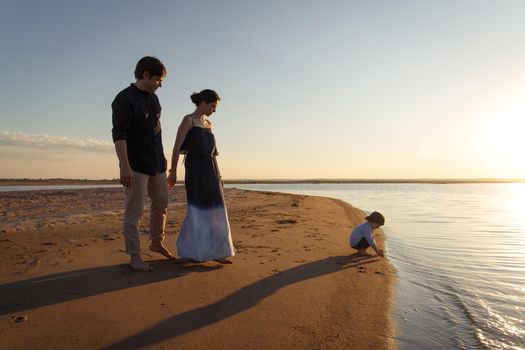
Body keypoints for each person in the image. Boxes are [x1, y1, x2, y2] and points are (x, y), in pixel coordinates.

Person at [111, 56, 174, 272]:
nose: (160, 85)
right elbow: (119, 135)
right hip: (135, 165)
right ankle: (135, 255)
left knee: (162, 202)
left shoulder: (154, 99)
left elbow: (157, 128)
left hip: (157, 164)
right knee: (134, 212)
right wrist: (124, 166)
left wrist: (163, 161)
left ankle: (156, 242)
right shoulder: (124, 99)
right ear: (145, 75)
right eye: (158, 80)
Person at [167, 89, 235, 264]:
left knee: (217, 210)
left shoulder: (209, 124)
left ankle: (219, 252)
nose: (214, 110)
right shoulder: (188, 120)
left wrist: (219, 176)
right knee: (197, 210)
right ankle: (191, 252)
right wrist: (172, 172)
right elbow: (176, 148)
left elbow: (214, 153)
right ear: (203, 102)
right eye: (212, 106)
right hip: (195, 169)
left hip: (211, 169)